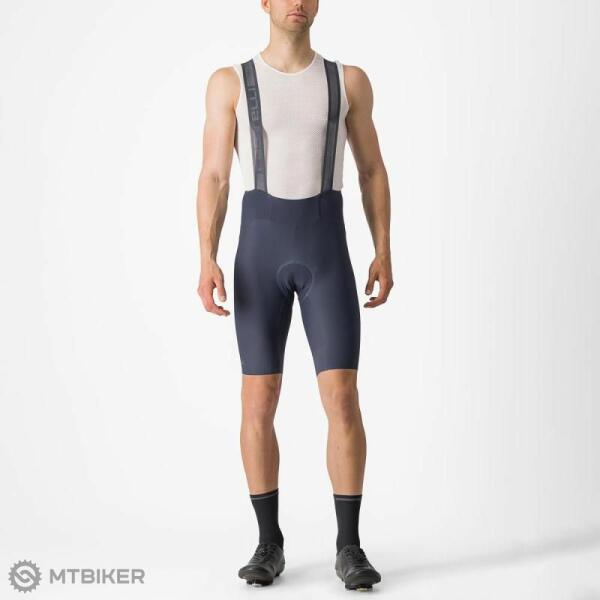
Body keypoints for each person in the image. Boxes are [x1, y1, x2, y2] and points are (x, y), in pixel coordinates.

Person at [196, 0, 392, 591]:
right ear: (265, 2)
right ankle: (269, 542)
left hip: (326, 252)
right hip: (259, 253)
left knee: (343, 397)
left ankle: (349, 546)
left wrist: (383, 249)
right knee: (258, 400)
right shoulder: (231, 82)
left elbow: (372, 170)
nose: (298, 3)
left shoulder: (347, 81)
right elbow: (215, 176)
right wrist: (206, 256)